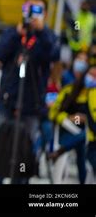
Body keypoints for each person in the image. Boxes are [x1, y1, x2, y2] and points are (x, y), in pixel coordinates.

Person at [0, 0, 60, 184]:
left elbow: (53, 54)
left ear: (45, 14)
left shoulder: (48, 36)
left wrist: (41, 31)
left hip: (32, 104)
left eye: (38, 11)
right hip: (8, 100)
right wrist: (17, 33)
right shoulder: (13, 32)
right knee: (1, 148)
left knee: (25, 153)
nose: (33, 15)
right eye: (30, 9)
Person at [48, 51, 89, 184]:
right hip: (67, 130)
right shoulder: (67, 86)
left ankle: (60, 151)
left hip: (85, 134)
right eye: (79, 60)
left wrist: (86, 120)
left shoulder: (91, 92)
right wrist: (72, 118)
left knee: (82, 152)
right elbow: (54, 113)